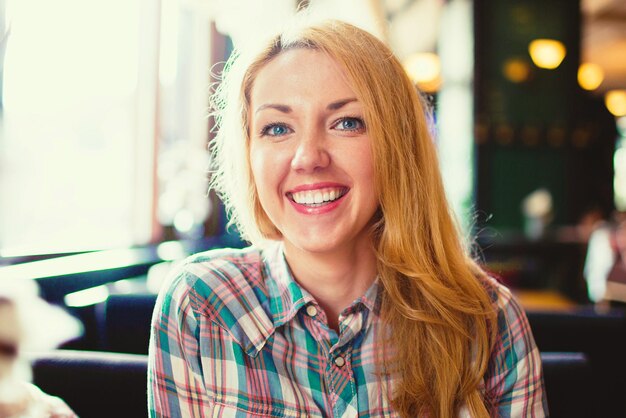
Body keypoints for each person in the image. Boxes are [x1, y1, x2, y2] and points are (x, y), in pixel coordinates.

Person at [148, 18, 547, 417]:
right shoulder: (201, 306)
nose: (308, 157)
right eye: (277, 128)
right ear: (249, 155)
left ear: (398, 144)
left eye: (347, 123)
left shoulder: (489, 321)